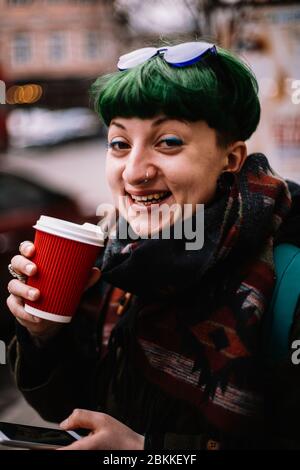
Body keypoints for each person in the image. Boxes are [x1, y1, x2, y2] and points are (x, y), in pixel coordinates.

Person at [6, 41, 300, 450]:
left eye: (169, 142)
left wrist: (148, 449)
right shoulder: (116, 258)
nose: (135, 172)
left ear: (230, 158)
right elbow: (70, 410)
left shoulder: (288, 274)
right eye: (120, 144)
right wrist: (43, 336)